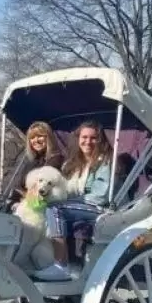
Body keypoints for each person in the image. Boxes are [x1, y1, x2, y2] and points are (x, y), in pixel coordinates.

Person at [33, 120, 120, 281]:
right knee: (43, 207)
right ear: (78, 139)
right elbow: (64, 188)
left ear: (100, 140)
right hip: (79, 206)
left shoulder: (105, 162)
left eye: (93, 138)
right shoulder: (74, 163)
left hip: (100, 209)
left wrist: (66, 202)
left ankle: (61, 265)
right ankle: (43, 258)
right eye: (84, 137)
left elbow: (100, 196)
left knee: (56, 209)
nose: (88, 141)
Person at [6, 121, 65, 206]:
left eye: (40, 136)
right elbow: (19, 186)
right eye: (32, 137)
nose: (36, 140)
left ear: (49, 137)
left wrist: (24, 195)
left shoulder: (56, 160)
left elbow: (39, 191)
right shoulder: (32, 162)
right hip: (19, 205)